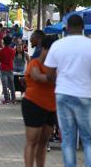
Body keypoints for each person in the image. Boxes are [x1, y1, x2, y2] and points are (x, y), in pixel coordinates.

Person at [45, 15, 91, 167]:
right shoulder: (89, 45)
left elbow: (49, 73)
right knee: (88, 138)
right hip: (85, 95)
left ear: (67, 28)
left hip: (63, 94)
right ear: (83, 27)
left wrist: (58, 83)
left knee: (68, 138)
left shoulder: (58, 45)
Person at [22, 36, 56, 167]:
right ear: (43, 49)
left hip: (51, 108)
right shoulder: (34, 63)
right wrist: (53, 78)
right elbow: (36, 76)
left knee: (43, 143)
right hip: (33, 105)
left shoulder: (55, 66)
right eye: (51, 50)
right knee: (32, 142)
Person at [0, 36, 16, 104]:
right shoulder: (13, 51)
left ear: (3, 42)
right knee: (12, 84)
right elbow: (13, 59)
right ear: (10, 43)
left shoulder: (0, 51)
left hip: (3, 69)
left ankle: (6, 99)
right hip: (10, 68)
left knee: (4, 85)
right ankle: (13, 99)